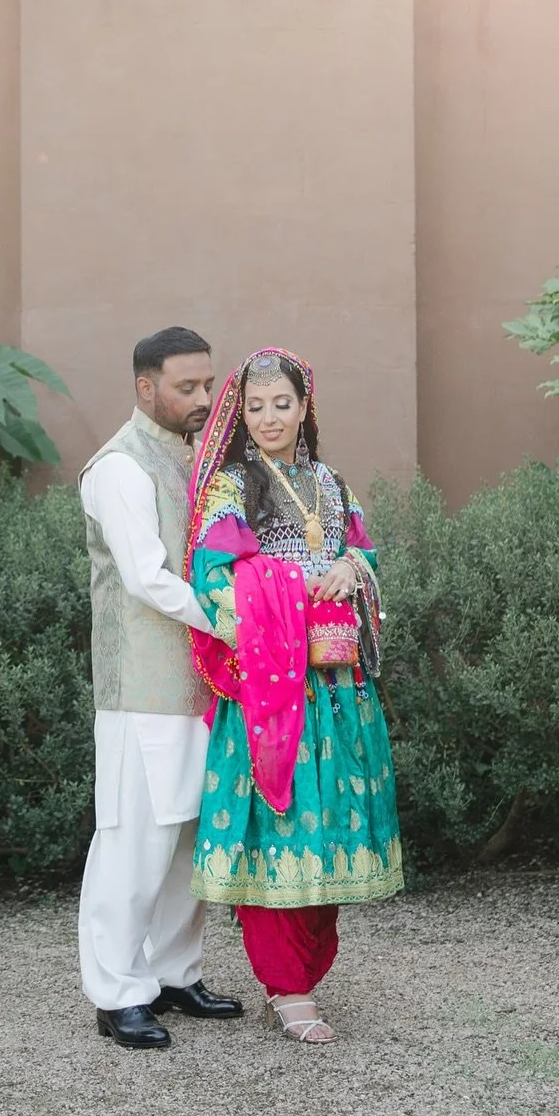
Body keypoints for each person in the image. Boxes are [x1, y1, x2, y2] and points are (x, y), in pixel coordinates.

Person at [185, 348, 403, 1044]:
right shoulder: (231, 486)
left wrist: (347, 567)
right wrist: (284, 592)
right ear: (240, 415)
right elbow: (212, 575)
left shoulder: (332, 483)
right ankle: (286, 984)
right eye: (255, 406)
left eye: (282, 403)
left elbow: (365, 551)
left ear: (305, 406)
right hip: (273, 692)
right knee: (279, 827)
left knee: (329, 820)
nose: (269, 417)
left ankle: (304, 970)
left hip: (338, 691)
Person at [77, 327, 245, 1050]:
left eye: (208, 384)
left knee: (188, 840)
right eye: (187, 387)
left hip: (202, 686)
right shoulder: (118, 467)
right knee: (134, 842)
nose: (203, 399)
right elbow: (147, 578)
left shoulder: (200, 460)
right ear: (145, 387)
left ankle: (175, 974)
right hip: (141, 689)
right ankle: (116, 994)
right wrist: (240, 624)